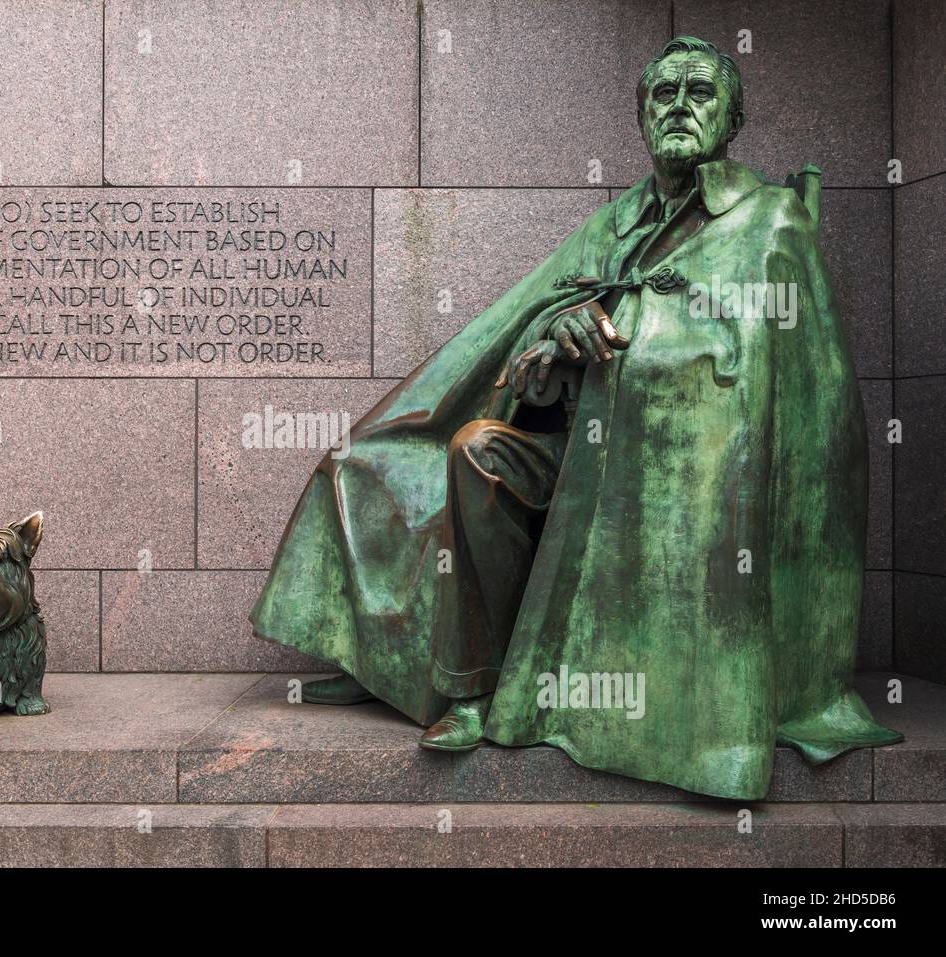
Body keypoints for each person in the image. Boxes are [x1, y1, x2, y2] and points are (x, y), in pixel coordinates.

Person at [250, 36, 900, 800]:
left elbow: (801, 403)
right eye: (664, 94)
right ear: (641, 114)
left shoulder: (770, 220)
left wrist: (637, 347)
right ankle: (462, 684)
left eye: (700, 93)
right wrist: (557, 341)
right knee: (465, 450)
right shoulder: (614, 221)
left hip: (684, 484)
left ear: (734, 118)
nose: (681, 107)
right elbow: (534, 323)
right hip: (580, 456)